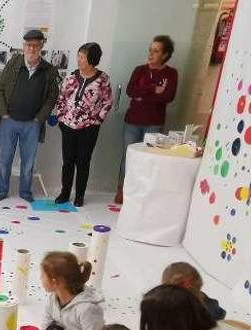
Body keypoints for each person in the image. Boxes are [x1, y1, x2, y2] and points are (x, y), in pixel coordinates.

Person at [0, 29, 59, 203]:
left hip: (32, 123)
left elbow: (52, 97)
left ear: (41, 47)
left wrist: (39, 119)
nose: (31, 49)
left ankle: (25, 192)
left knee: (28, 161)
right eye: (28, 45)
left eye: (35, 45)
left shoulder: (49, 70)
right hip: (9, 121)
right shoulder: (14, 63)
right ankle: (2, 190)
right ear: (23, 46)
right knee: (4, 158)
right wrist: (3, 113)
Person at [116, 35, 178, 205]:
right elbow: (130, 91)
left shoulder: (171, 74)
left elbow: (168, 96)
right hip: (133, 121)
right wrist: (152, 89)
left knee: (148, 159)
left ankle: (141, 193)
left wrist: (143, 97)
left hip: (154, 123)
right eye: (150, 50)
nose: (151, 54)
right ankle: (122, 190)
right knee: (128, 157)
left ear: (165, 55)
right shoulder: (139, 70)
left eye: (156, 51)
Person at [54, 42, 113, 207]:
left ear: (92, 59)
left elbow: (107, 102)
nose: (78, 60)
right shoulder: (72, 77)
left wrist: (97, 121)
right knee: (68, 161)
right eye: (78, 56)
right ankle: (64, 193)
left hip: (89, 129)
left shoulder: (103, 79)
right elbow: (61, 98)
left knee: (83, 162)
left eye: (82, 57)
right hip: (68, 126)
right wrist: (61, 117)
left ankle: (79, 195)